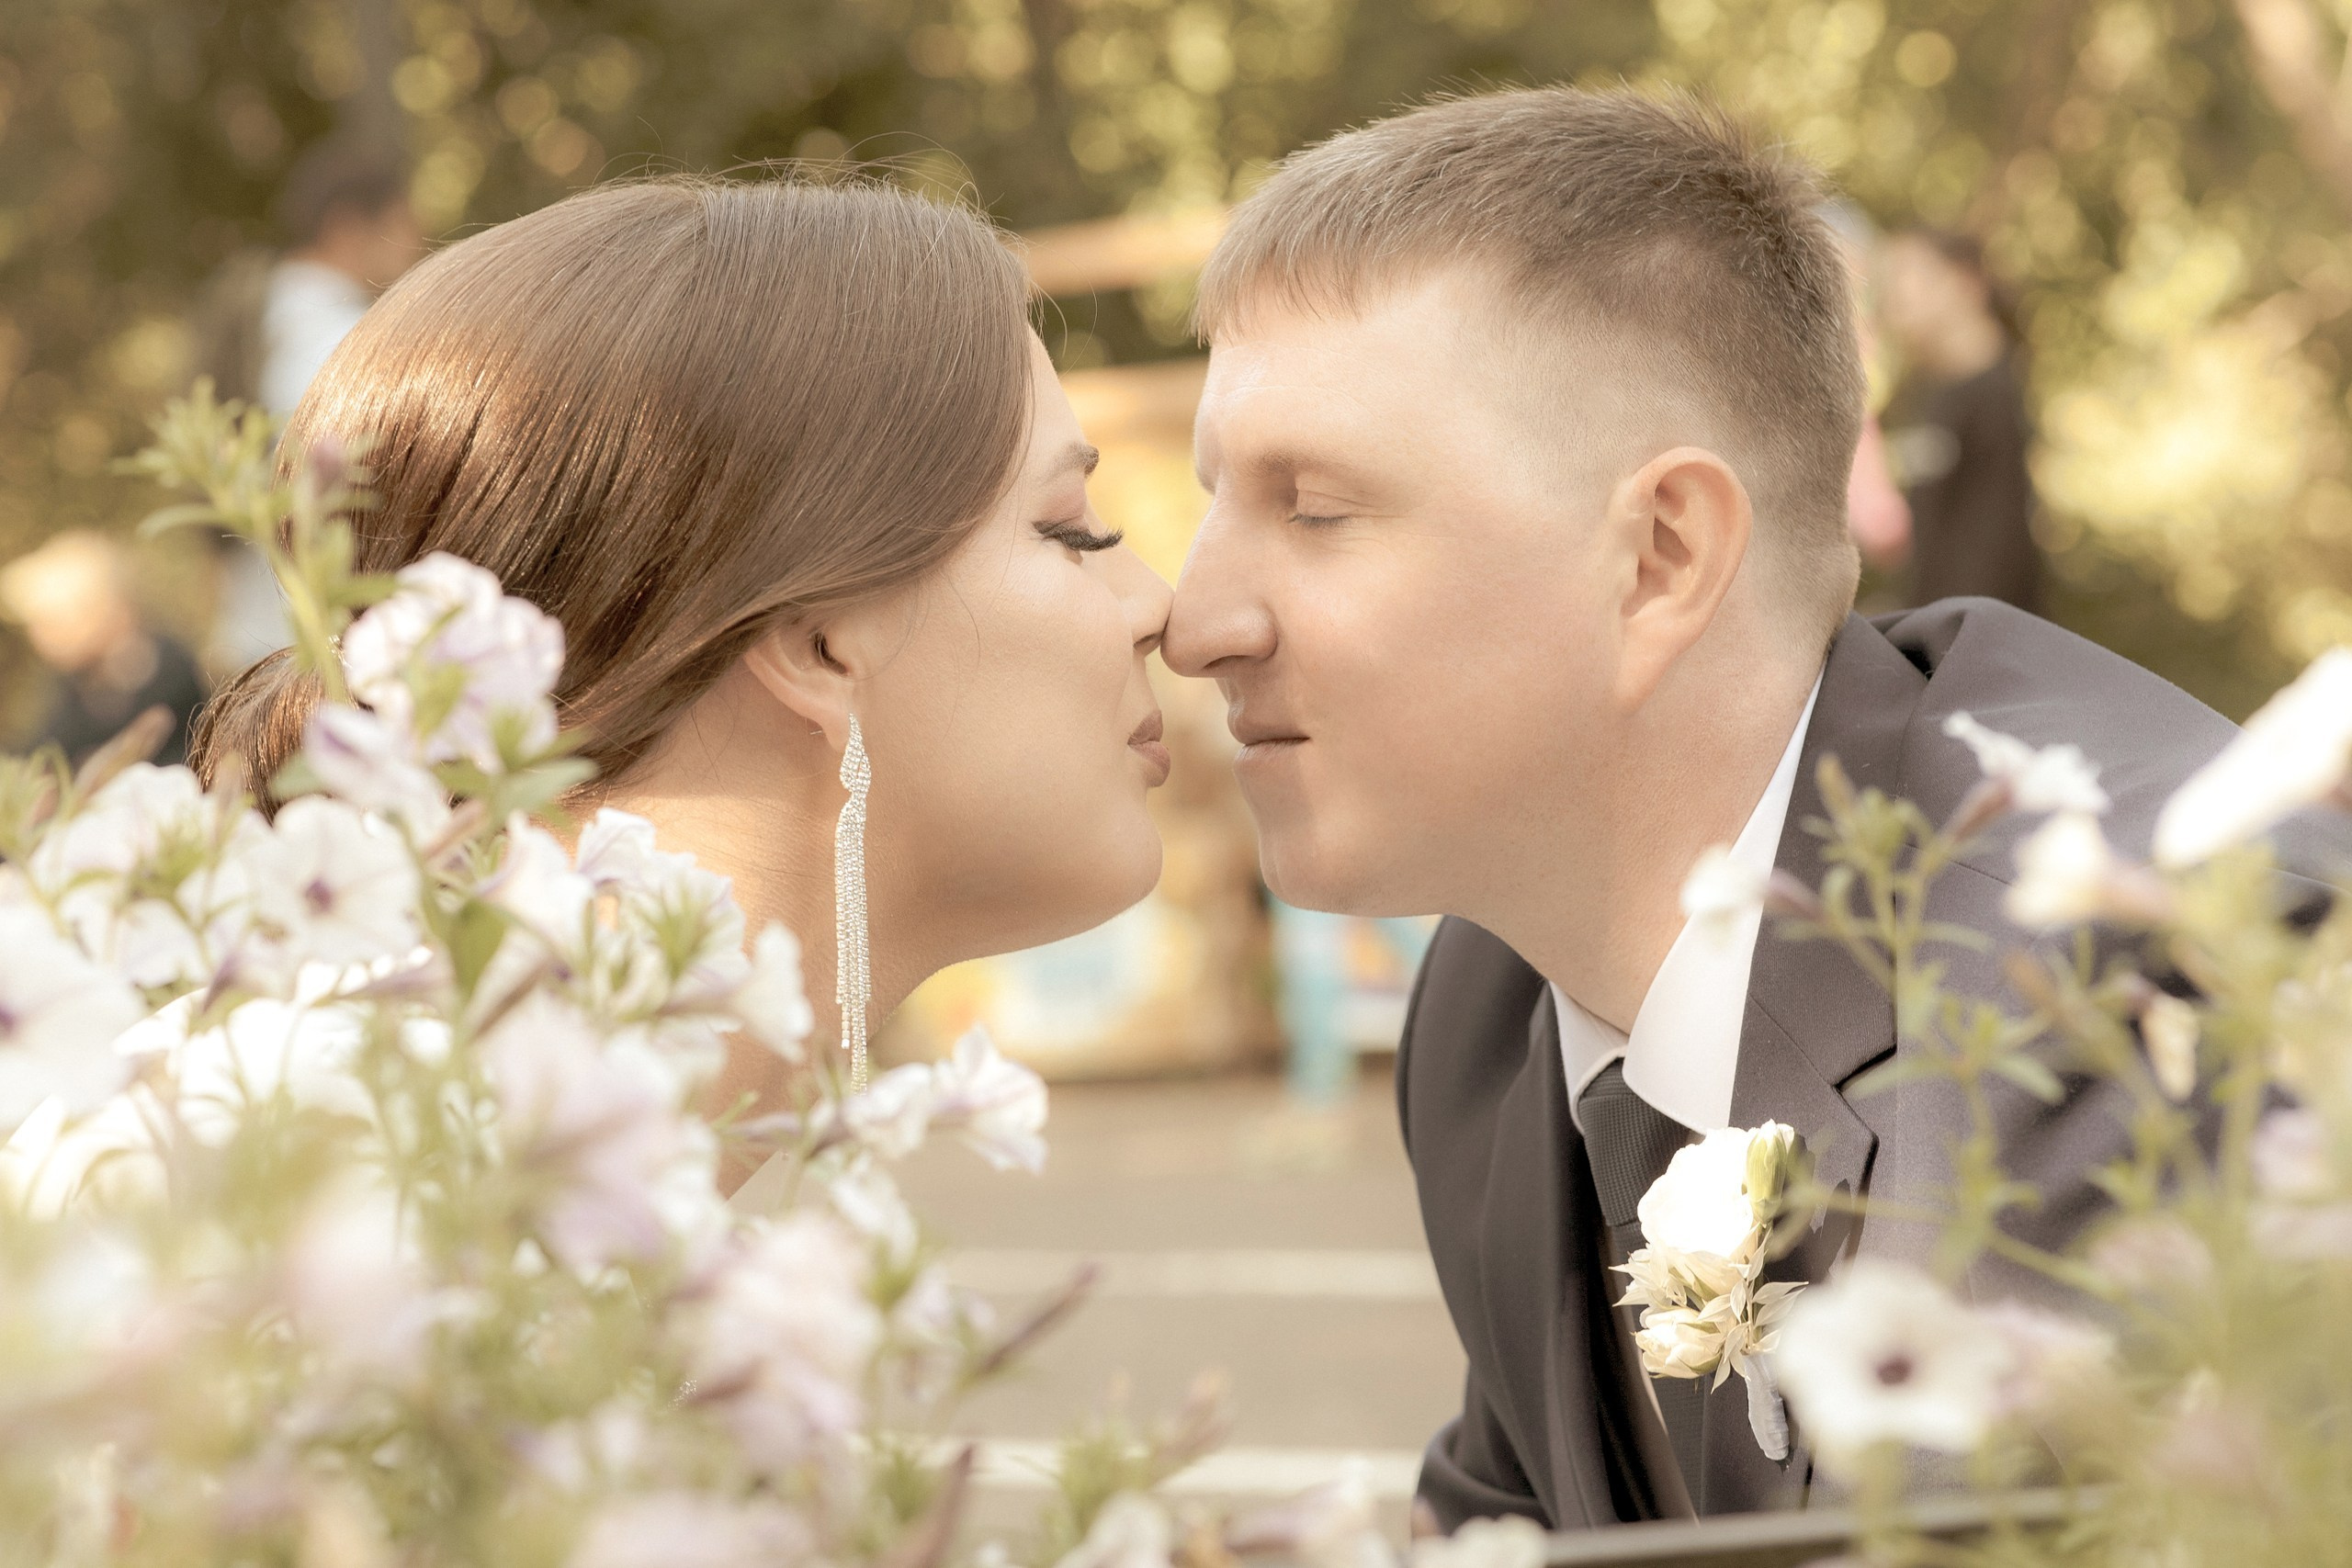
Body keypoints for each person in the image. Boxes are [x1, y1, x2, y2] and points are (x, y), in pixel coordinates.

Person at [1163, 87, 2317, 1533]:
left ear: (1660, 557)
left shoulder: (2139, 999)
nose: (1194, 620)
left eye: (1316, 510)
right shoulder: (1486, 1011)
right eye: (1215, 500)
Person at [192, 175, 1173, 1189]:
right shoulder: (350, 1189)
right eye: (1071, 532)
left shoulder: (482, 1163)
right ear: (817, 644)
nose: (1163, 608)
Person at [191, 142, 427, 677]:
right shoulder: (336, 332)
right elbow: (335, 466)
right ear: (348, 226)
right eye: (404, 224)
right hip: (315, 642)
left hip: (259, 626)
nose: (415, 245)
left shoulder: (268, 313)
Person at [1876, 228, 2040, 613]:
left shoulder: (1997, 399)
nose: (1897, 294)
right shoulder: (1922, 397)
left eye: (1911, 275)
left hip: (1977, 635)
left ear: (1966, 282)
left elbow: (1996, 553)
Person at [0, 531, 207, 767]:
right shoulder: (75, 685)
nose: (39, 634)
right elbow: (37, 754)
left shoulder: (166, 672)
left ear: (108, 610)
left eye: (55, 619)